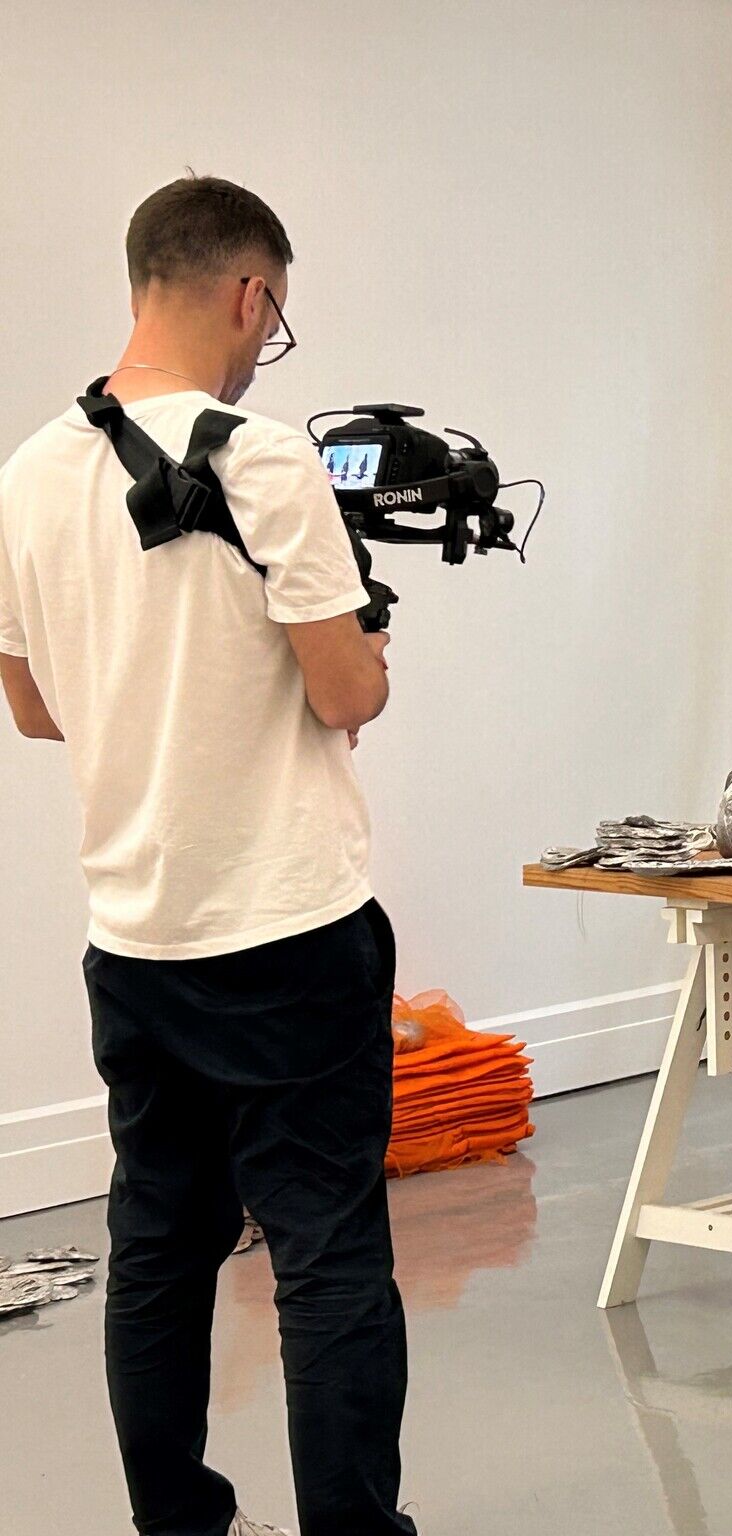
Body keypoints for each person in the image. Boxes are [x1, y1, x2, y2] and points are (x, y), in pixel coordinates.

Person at [0, 176, 416, 1535]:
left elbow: (31, 706)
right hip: (290, 925)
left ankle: (177, 1522)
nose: (264, 342)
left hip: (134, 936)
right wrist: (370, 662)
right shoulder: (263, 454)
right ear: (249, 292)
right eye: (272, 314)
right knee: (327, 1252)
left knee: (159, 1251)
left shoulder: (27, 474)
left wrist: (148, 693)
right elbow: (344, 694)